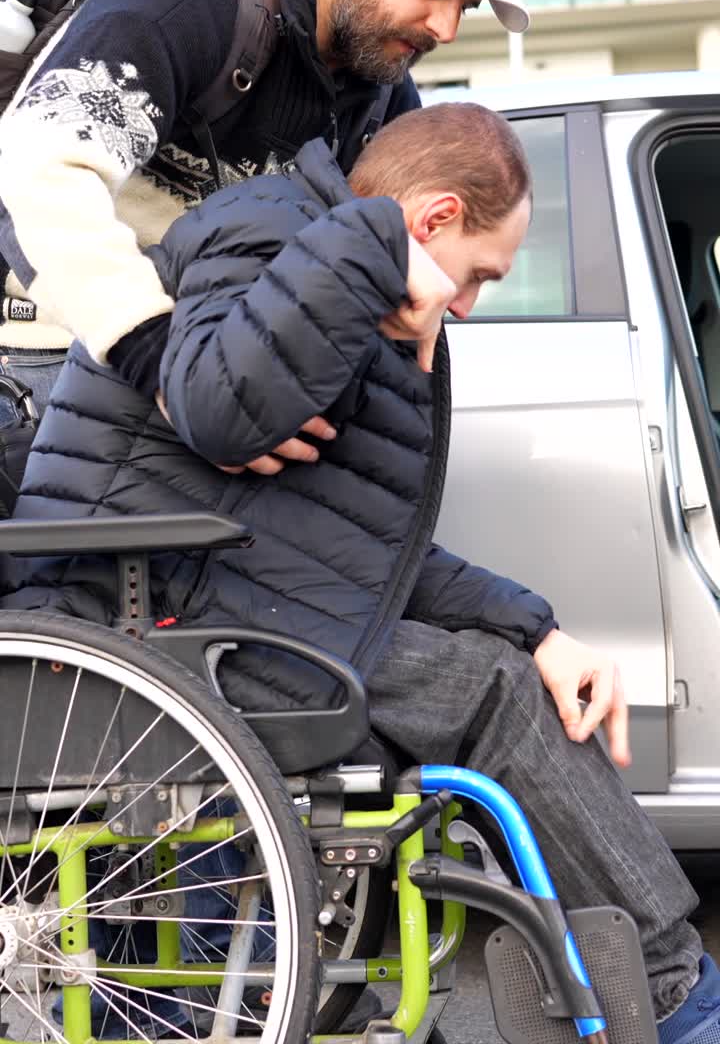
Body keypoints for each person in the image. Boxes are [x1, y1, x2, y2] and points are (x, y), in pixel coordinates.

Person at [4, 100, 719, 1044]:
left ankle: (653, 987)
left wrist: (537, 625)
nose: (467, 304)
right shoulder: (266, 237)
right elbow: (220, 410)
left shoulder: (330, 284)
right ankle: (677, 999)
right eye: (478, 274)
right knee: (494, 693)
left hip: (213, 602)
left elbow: (361, 562)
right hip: (134, 621)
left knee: (508, 666)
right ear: (433, 222)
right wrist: (378, 247)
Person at [0, 0, 526, 438]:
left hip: (208, 371)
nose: (447, 28)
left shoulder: (383, 94)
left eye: (467, 6)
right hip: (53, 353)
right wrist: (167, 365)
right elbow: (37, 177)